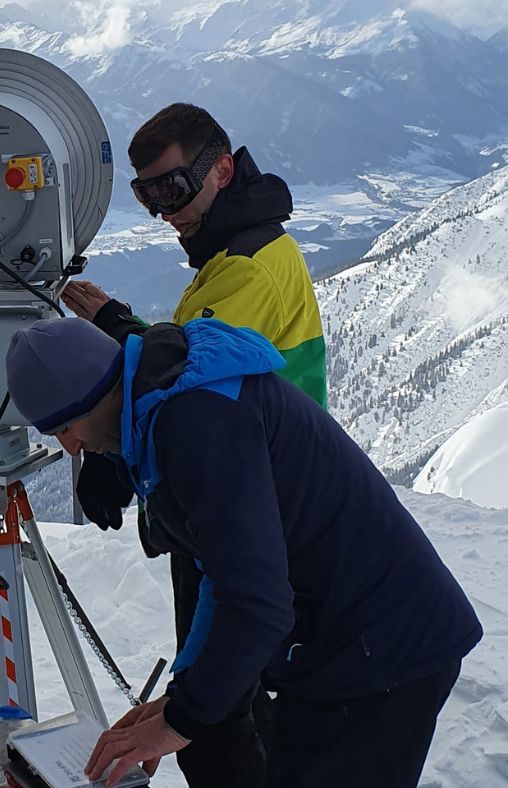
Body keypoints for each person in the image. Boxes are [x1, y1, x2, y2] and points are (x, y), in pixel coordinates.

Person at [5, 317, 482, 788]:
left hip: (384, 653)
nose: (70, 448)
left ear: (95, 394)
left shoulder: (195, 421)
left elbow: (258, 603)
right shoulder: (165, 401)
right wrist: (182, 695)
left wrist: (180, 721)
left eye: (65, 427)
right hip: (338, 644)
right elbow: (221, 570)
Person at [62, 103, 328, 784]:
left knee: (217, 712)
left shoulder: (249, 269)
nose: (162, 211)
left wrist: (110, 453)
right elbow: (196, 353)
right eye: (146, 195)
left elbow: (184, 380)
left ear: (224, 169)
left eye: (173, 190)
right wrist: (119, 322)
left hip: (247, 503)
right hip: (251, 494)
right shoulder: (238, 255)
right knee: (232, 699)